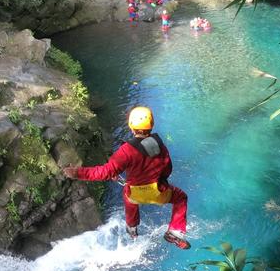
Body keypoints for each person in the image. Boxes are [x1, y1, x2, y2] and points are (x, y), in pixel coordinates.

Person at [63, 106, 190, 249]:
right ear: (152, 124)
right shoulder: (160, 147)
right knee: (181, 198)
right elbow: (168, 170)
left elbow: (105, 172)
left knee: (127, 194)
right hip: (159, 192)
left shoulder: (126, 150)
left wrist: (77, 173)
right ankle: (174, 231)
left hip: (134, 194)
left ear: (131, 126)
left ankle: (132, 227)